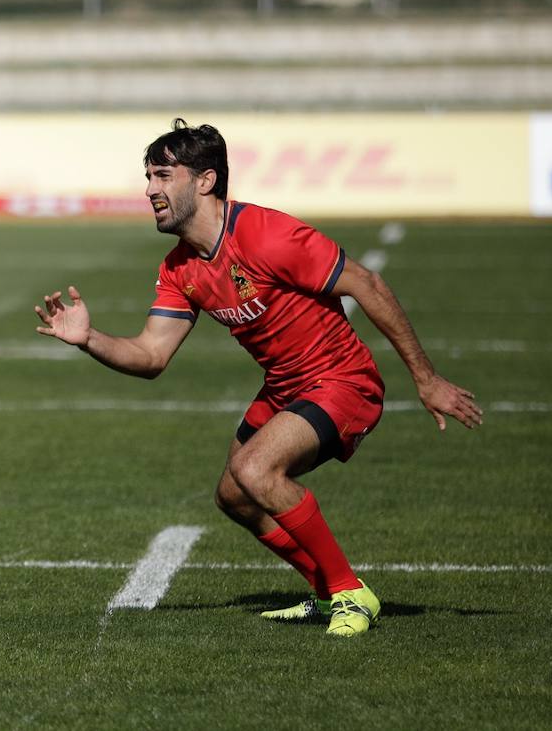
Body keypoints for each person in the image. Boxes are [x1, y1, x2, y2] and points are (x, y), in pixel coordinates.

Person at [34, 119, 481, 637]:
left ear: (204, 181)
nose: (151, 190)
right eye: (148, 177)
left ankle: (351, 595)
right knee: (234, 495)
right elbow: (152, 355)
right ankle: (329, 591)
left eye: (163, 175)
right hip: (285, 389)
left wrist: (425, 379)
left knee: (255, 469)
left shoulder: (267, 233)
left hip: (343, 381)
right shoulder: (180, 268)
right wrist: (89, 338)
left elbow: (368, 283)